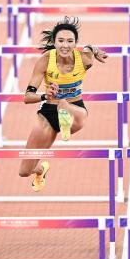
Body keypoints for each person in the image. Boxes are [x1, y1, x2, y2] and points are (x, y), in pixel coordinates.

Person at [19, 16, 108, 192]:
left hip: (76, 112)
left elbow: (89, 49)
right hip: (48, 112)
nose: (65, 45)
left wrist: (94, 48)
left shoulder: (84, 60)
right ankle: (41, 169)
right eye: (60, 41)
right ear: (54, 42)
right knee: (24, 171)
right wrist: (45, 96)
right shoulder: (45, 60)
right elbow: (27, 97)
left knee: (64, 104)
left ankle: (65, 117)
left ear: (75, 44)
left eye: (69, 41)